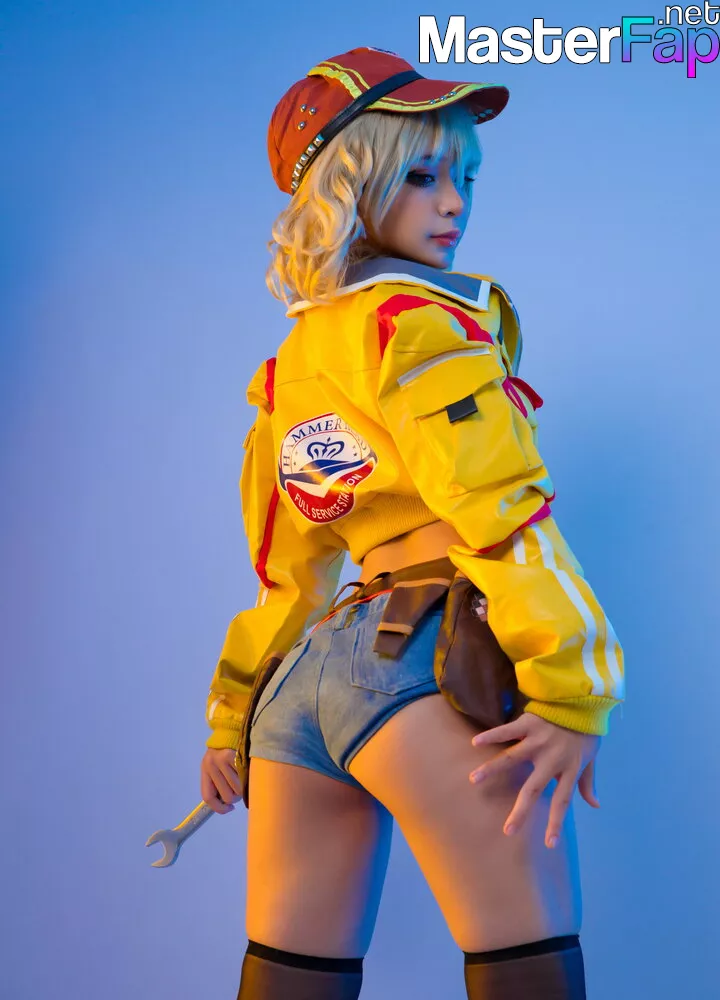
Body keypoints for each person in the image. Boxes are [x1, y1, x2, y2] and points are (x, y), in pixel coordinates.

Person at [198, 46, 625, 1000]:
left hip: (303, 689)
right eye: (422, 176)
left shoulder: (288, 372)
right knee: (527, 964)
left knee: (293, 976)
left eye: (465, 177)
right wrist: (573, 688)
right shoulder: (420, 326)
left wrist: (231, 719)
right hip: (420, 664)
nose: (454, 204)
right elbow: (500, 510)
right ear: (352, 186)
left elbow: (285, 572)